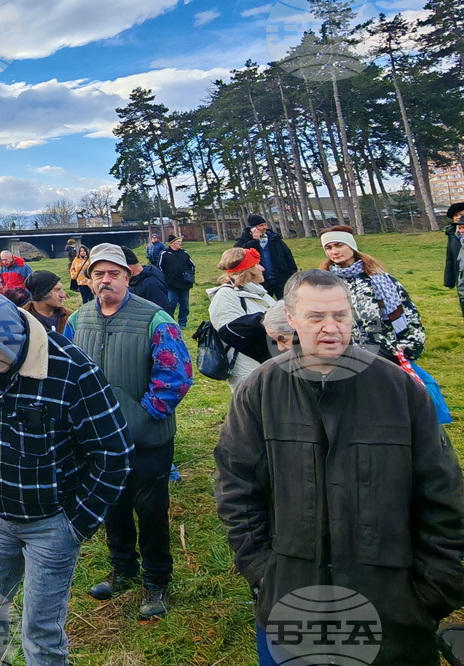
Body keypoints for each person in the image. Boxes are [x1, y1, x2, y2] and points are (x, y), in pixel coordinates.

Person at [214, 269, 464, 666]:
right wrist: (263, 572)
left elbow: (443, 494)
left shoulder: (401, 391)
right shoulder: (258, 392)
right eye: (316, 317)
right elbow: (236, 488)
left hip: (394, 611)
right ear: (292, 320)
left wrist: (433, 592)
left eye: (340, 316)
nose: (331, 328)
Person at [0, 292, 133, 666]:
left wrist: (76, 524)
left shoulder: (73, 372)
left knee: (41, 631)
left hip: (51, 524)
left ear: (16, 342)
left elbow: (114, 454)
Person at [70, 243, 193, 618]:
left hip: (147, 437)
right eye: (98, 274)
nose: (106, 280)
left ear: (127, 276)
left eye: (114, 273)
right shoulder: (78, 320)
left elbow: (176, 376)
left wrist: (142, 419)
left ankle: (157, 581)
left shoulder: (155, 319)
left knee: (151, 509)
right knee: (114, 505)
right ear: (88, 280)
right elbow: (71, 374)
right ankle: (123, 569)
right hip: (100, 441)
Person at [318, 225, 425, 362]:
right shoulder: (323, 283)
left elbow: (409, 313)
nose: (334, 251)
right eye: (329, 247)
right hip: (341, 355)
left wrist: (411, 345)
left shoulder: (381, 280)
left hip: (384, 352)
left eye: (339, 245)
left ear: (351, 246)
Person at [205, 248, 277, 390]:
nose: (262, 268)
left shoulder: (260, 293)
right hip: (249, 368)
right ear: (247, 270)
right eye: (257, 265)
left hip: (270, 362)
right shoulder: (226, 296)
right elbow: (232, 335)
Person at [234, 214, 298, 299]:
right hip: (258, 281)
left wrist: (291, 273)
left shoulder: (274, 239)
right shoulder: (244, 241)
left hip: (280, 278)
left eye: (265, 225)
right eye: (261, 225)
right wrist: (254, 241)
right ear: (253, 228)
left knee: (287, 302)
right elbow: (239, 256)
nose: (264, 227)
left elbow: (288, 256)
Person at [22, 270, 74, 339]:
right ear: (43, 294)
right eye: (57, 290)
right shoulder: (22, 320)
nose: (63, 295)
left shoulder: (70, 317)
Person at [158, 234, 195, 328]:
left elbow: (192, 265)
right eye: (178, 242)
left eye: (180, 242)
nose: (180, 244)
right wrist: (164, 279)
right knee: (171, 303)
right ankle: (170, 322)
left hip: (184, 284)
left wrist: (190, 275)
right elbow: (159, 267)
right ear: (172, 243)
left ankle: (183, 323)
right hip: (170, 284)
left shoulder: (184, 253)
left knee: (185, 304)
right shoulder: (164, 253)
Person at [442, 203, 463, 293]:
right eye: (455, 215)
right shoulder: (452, 234)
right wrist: (449, 281)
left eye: (461, 214)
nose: (458, 217)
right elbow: (450, 258)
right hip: (460, 274)